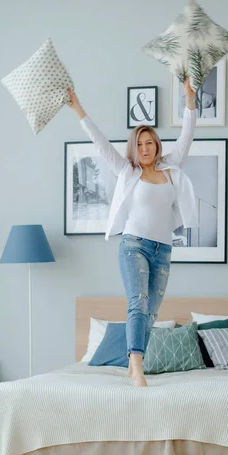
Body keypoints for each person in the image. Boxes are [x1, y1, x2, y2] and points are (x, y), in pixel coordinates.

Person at [67, 79, 198, 387]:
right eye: (139, 145)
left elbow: (187, 135)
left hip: (162, 250)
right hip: (133, 246)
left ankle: (131, 363)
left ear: (156, 145)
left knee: (151, 312)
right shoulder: (128, 172)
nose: (144, 148)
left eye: (149, 143)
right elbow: (99, 142)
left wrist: (189, 100)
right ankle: (137, 367)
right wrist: (77, 108)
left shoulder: (170, 168)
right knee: (137, 302)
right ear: (134, 149)